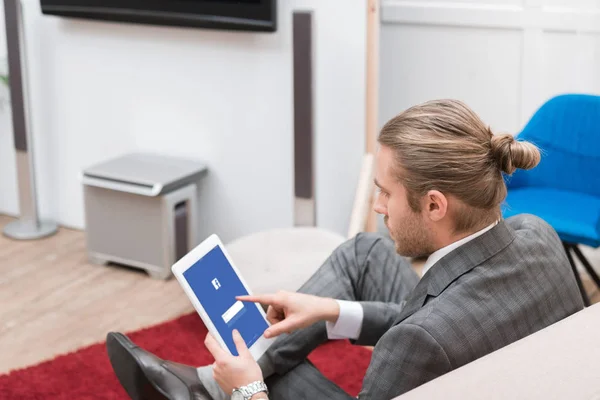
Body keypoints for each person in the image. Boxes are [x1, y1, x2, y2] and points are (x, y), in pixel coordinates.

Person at [106, 99, 584, 400]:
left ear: (434, 205)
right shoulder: (533, 231)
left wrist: (249, 388)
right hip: (488, 359)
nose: (378, 206)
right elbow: (452, 317)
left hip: (448, 353)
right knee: (365, 252)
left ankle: (214, 388)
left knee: (270, 375)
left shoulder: (415, 345)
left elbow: (429, 332)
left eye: (386, 193)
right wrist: (331, 312)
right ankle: (210, 384)